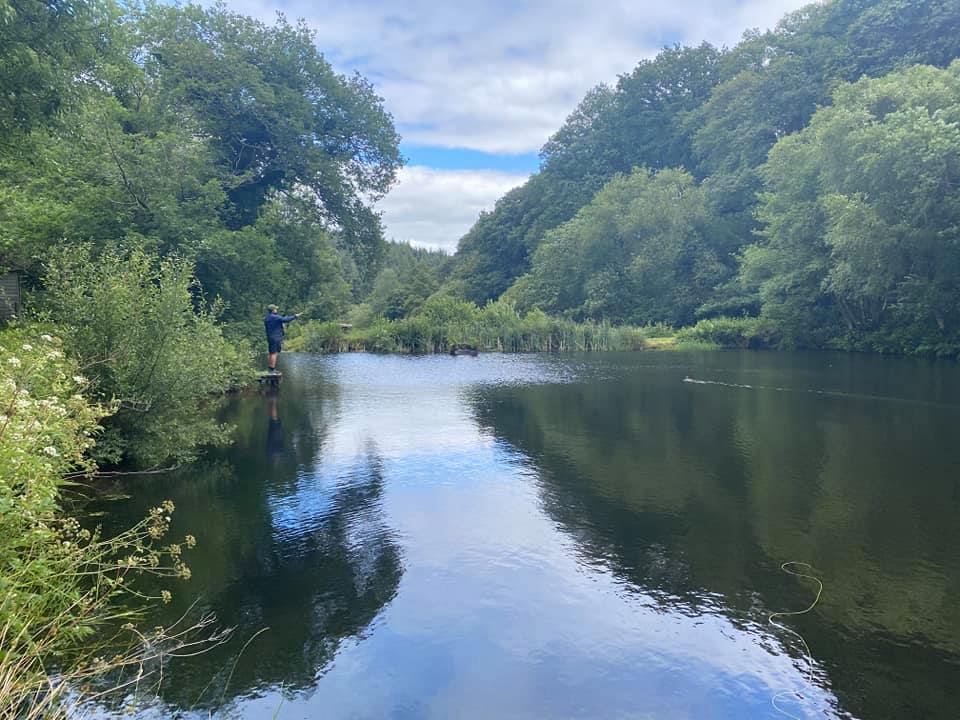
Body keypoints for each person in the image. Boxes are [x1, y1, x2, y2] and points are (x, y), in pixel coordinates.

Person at [264, 304, 301, 373]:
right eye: (275, 309)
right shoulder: (275, 317)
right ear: (273, 310)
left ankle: (270, 368)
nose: (276, 310)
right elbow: (285, 319)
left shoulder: (267, 318)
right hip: (276, 338)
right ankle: (272, 369)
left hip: (270, 337)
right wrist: (295, 316)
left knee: (271, 353)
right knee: (274, 353)